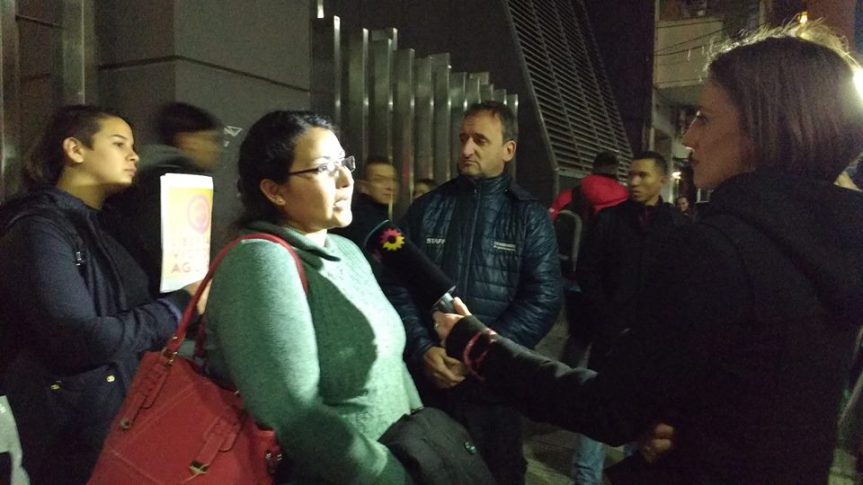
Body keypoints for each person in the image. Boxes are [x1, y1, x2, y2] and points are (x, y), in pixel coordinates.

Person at [433, 23, 863, 484]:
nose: (689, 138)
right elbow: (763, 399)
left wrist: (478, 346)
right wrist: (688, 419)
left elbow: (609, 408)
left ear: (761, 130)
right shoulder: (836, 249)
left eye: (704, 118)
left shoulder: (718, 250)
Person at [203, 111, 421, 484]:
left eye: (344, 163)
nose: (346, 179)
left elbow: (392, 365)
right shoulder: (259, 262)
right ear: (274, 190)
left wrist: (423, 444)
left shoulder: (348, 251)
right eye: (324, 168)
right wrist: (391, 475)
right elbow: (293, 413)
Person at [0, 105, 198, 484]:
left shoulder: (113, 225)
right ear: (75, 149)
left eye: (133, 146)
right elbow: (82, 338)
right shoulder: (37, 229)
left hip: (123, 420)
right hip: (67, 437)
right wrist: (175, 308)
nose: (134, 156)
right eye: (119, 144)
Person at [383, 100, 562, 485]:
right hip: (431, 389)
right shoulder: (427, 208)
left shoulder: (529, 216)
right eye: (463, 138)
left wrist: (480, 354)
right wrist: (422, 349)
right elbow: (396, 283)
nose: (466, 149)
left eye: (480, 140)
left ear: (508, 150)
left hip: (496, 395)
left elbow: (543, 297)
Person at [568, 151, 687, 484]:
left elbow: (686, 283)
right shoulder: (609, 220)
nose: (633, 182)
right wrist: (607, 315)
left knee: (643, 420)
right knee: (596, 414)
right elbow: (587, 272)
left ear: (661, 180)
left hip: (654, 344)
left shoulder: (678, 226)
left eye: (643, 175)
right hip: (610, 336)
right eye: (630, 175)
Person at [106, 102, 222, 296]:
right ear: (188, 141)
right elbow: (188, 271)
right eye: (210, 140)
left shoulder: (136, 180)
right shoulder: (184, 184)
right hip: (172, 305)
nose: (217, 149)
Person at [549, 150, 628, 369]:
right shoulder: (627, 199)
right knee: (605, 337)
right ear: (616, 170)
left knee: (577, 335)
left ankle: (565, 380)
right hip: (608, 283)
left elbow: (549, 226)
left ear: (593, 168)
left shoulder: (571, 195)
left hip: (572, 278)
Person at [331, 156, 397, 250]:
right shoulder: (367, 222)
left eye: (393, 179)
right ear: (363, 186)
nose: (390, 186)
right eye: (379, 180)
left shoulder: (383, 217)